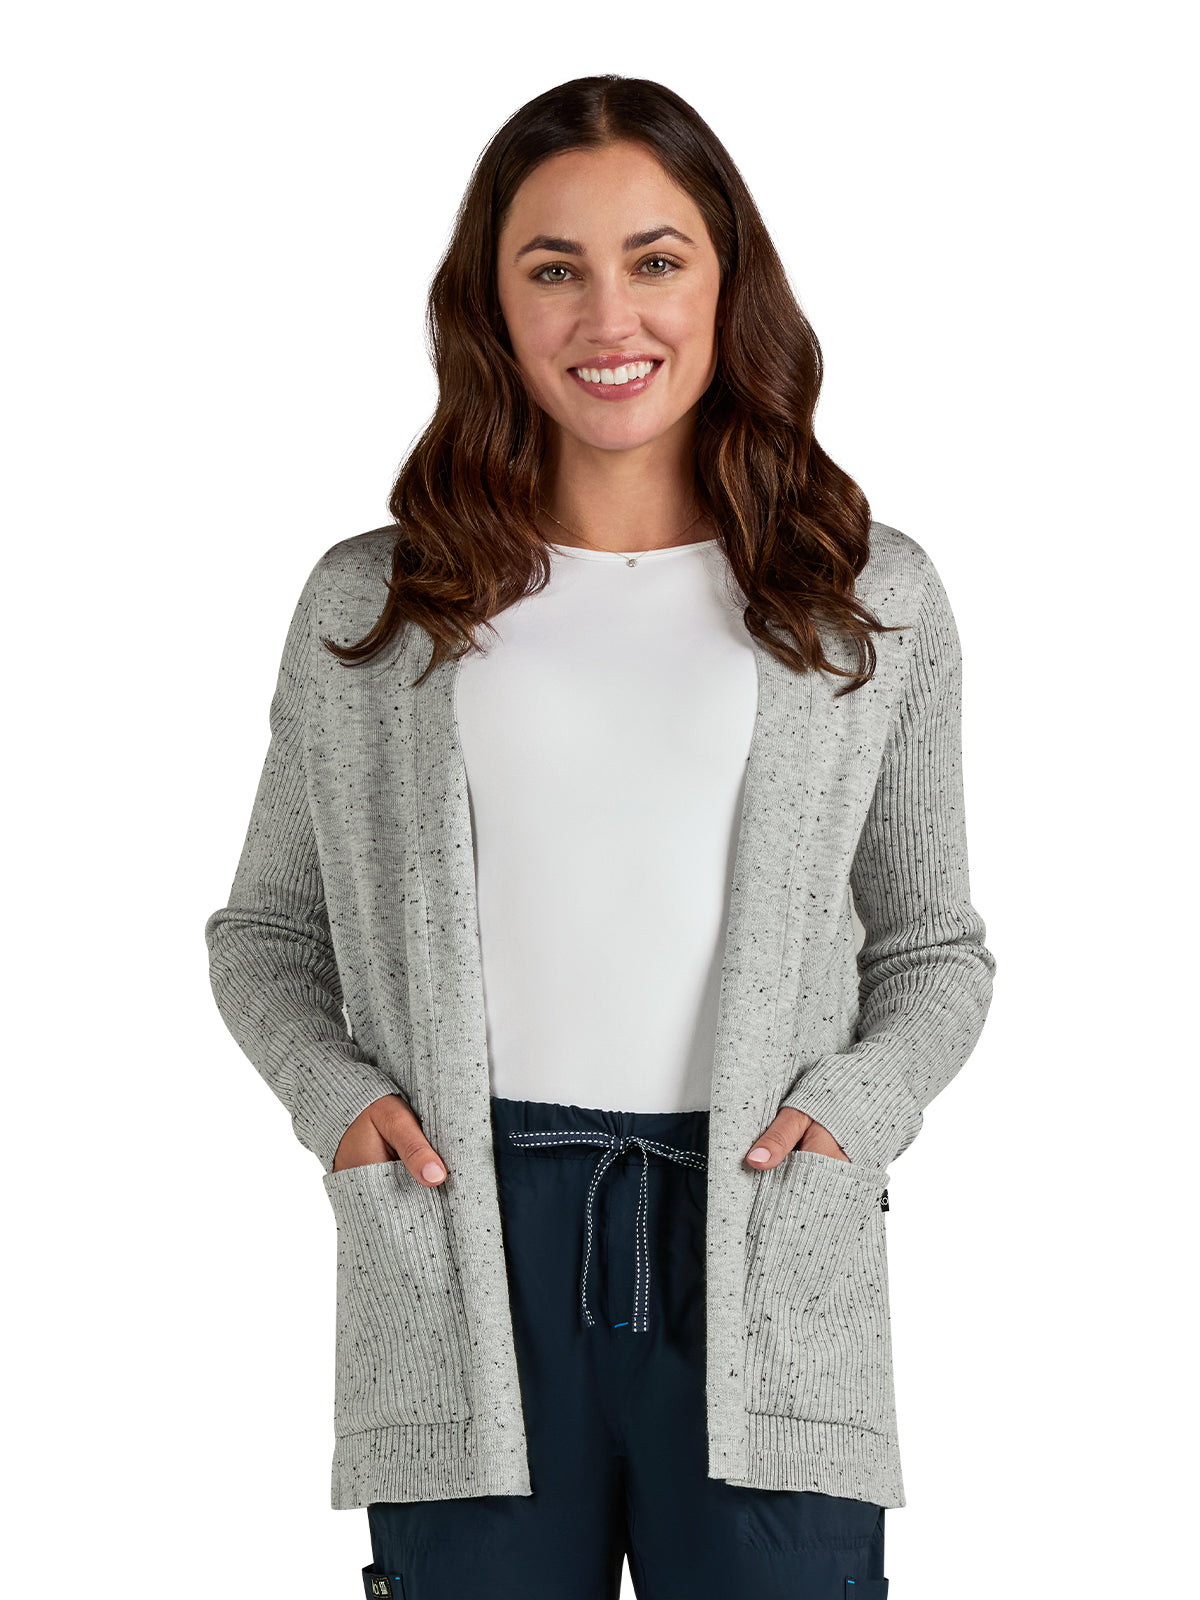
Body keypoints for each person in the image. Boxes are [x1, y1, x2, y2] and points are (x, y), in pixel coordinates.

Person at [205, 74, 995, 1600]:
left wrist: (855, 1112)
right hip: (464, 1238)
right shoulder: (376, 609)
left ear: (727, 283)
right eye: (554, 267)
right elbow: (267, 935)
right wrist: (338, 1102)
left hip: (768, 1234)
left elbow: (933, 950)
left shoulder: (864, 600)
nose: (607, 314)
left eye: (656, 259)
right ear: (490, 306)